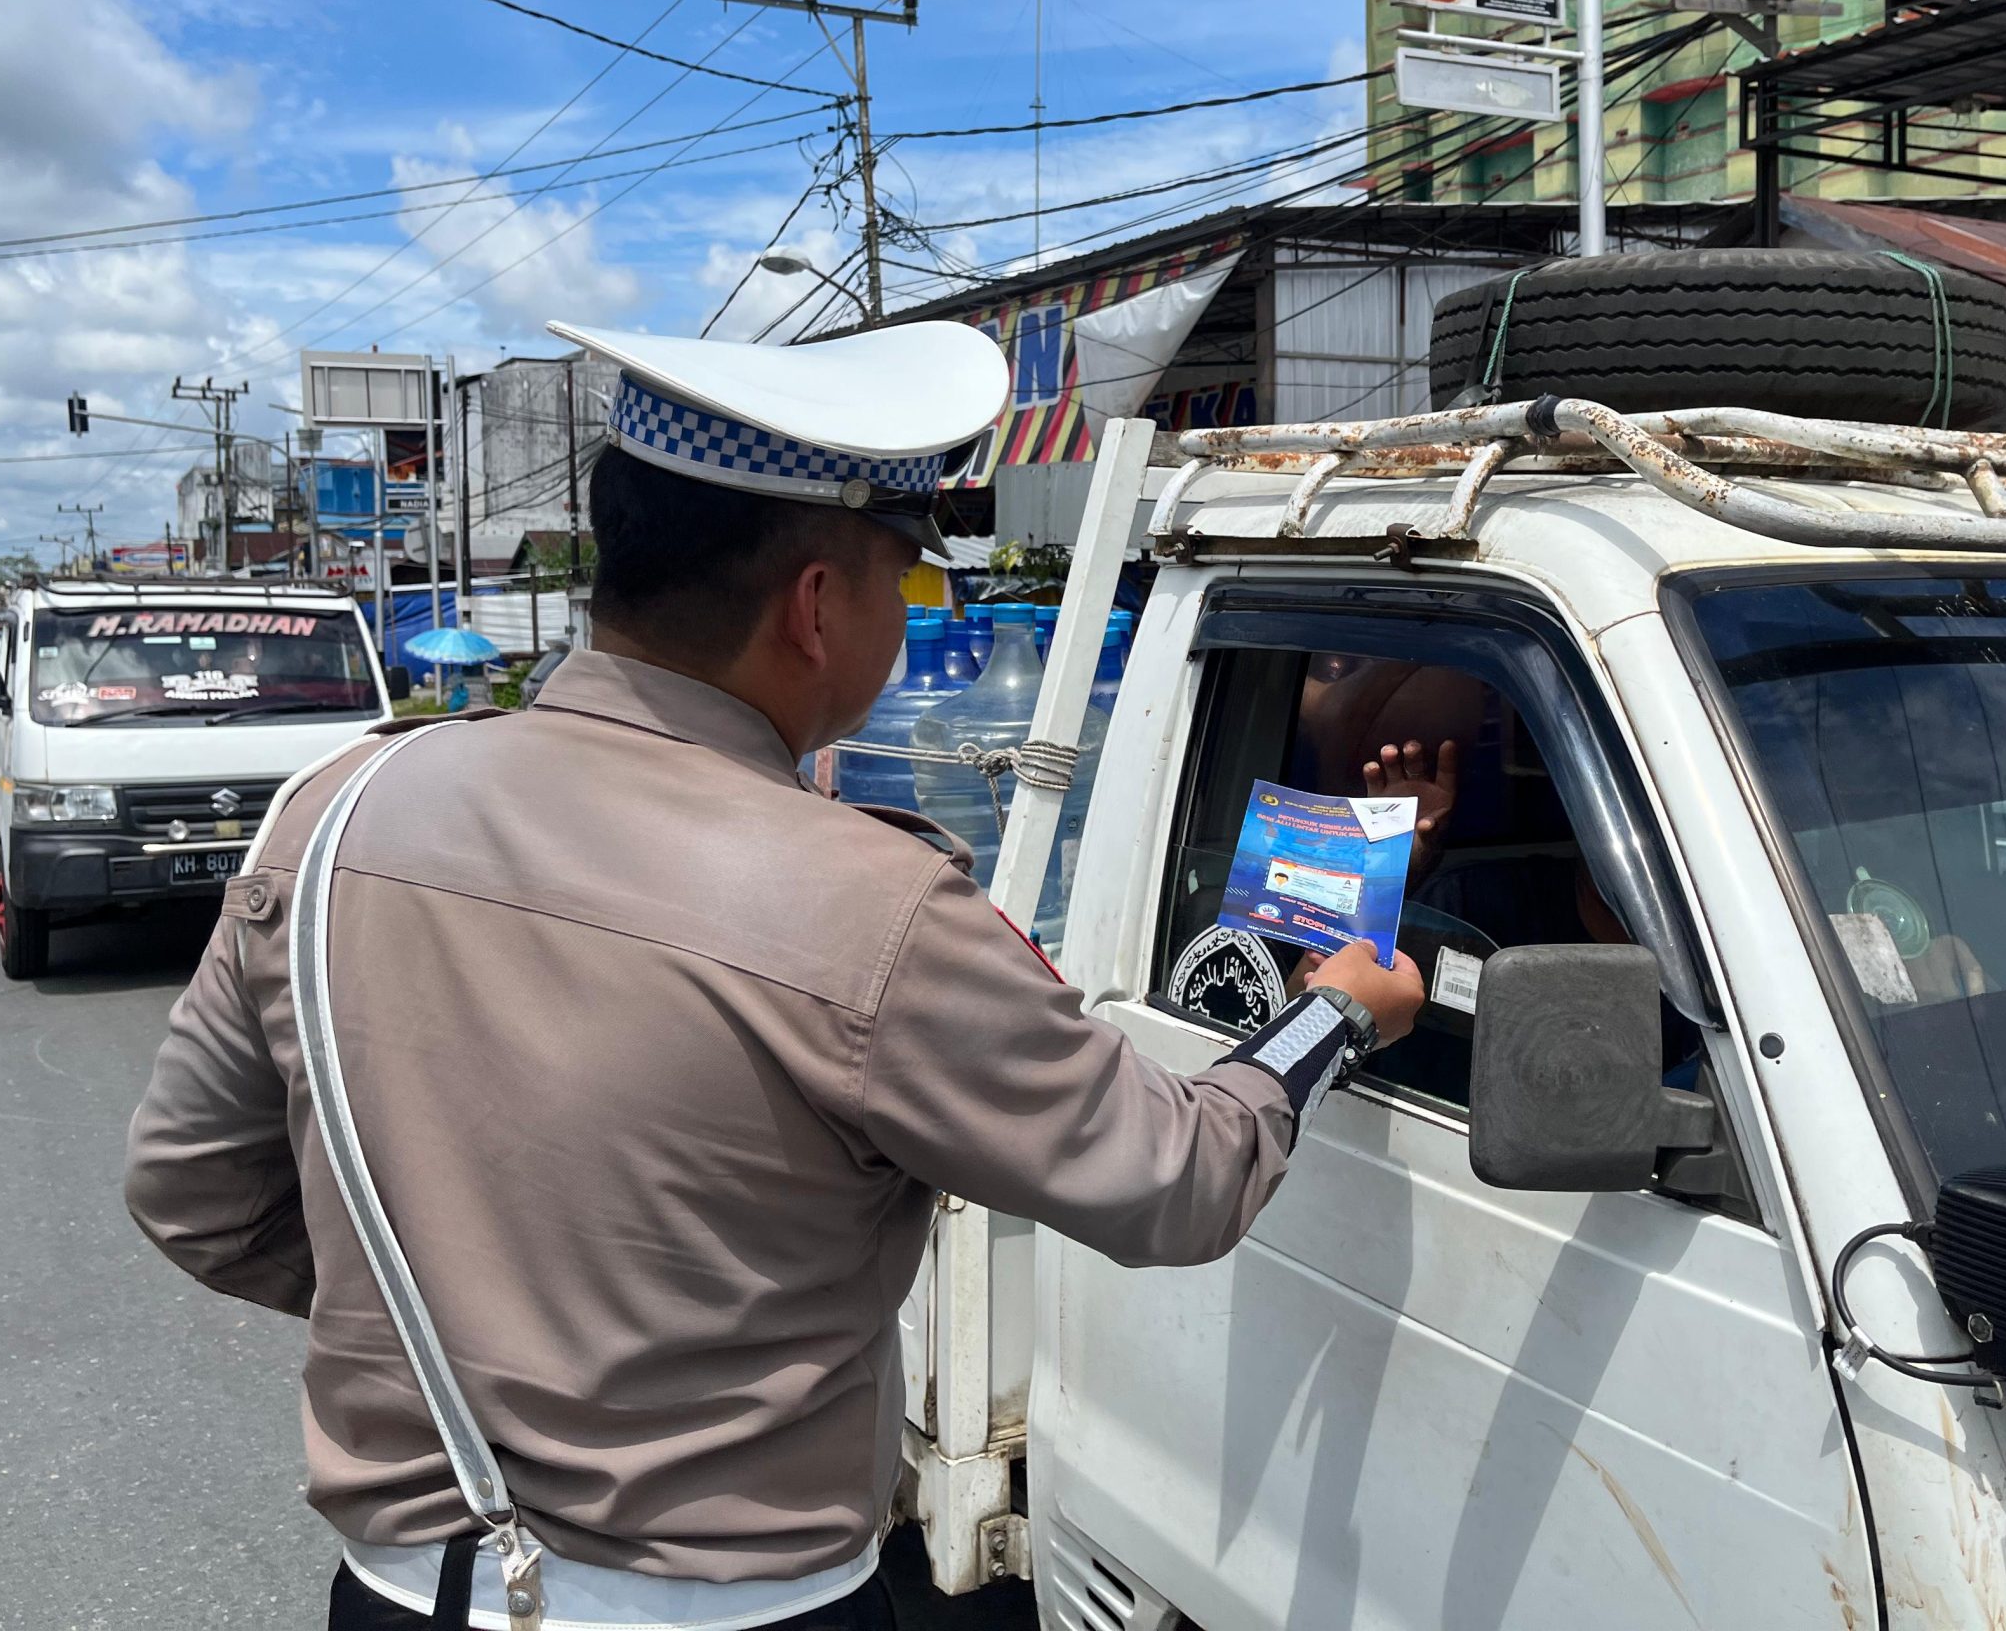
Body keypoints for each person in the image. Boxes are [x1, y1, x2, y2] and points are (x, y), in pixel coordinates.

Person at [124, 317, 1423, 1631]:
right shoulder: (871, 906)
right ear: (816, 606)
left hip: (397, 1597)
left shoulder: (335, 811)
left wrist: (461, 1333)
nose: (908, 622)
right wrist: (1334, 1016)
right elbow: (1179, 1180)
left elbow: (192, 1196)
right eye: (907, 586)